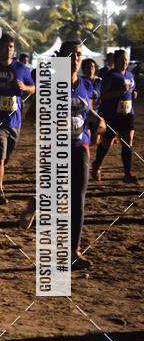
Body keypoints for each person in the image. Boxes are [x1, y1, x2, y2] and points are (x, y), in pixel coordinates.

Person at [58, 39, 105, 269]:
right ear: (62, 56)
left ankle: (73, 252)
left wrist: (98, 120)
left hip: (80, 146)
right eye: (72, 54)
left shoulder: (85, 85)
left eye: (79, 54)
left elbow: (88, 110)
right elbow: (32, 114)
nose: (76, 58)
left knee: (78, 200)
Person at [0, 33, 35, 204]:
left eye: (11, 47)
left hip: (14, 120)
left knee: (6, 156)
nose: (9, 50)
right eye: (5, 47)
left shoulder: (21, 68)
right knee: (0, 157)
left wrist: (24, 87)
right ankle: (0, 191)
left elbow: (34, 88)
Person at [92, 49, 138, 183]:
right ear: (115, 61)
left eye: (125, 60)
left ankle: (127, 173)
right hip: (111, 114)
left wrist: (133, 92)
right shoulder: (109, 75)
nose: (123, 63)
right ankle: (97, 165)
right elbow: (103, 96)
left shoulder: (130, 74)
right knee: (107, 143)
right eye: (120, 60)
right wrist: (119, 91)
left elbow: (131, 88)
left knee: (127, 142)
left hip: (128, 113)